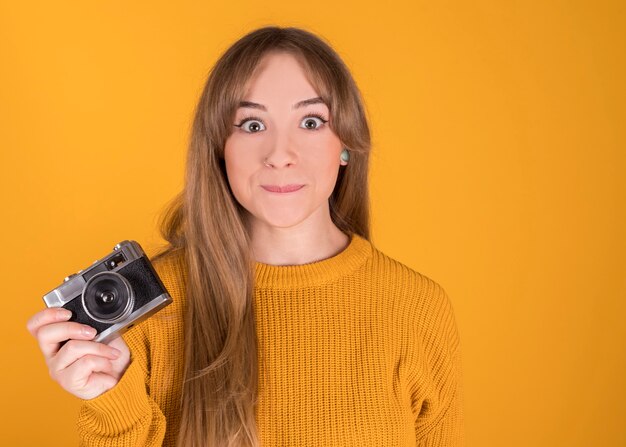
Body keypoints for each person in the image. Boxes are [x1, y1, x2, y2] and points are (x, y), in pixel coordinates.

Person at [26, 26, 465, 446]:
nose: (280, 155)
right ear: (219, 147)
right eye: (252, 126)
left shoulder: (418, 311)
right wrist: (108, 399)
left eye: (311, 122)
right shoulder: (146, 312)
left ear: (347, 141)